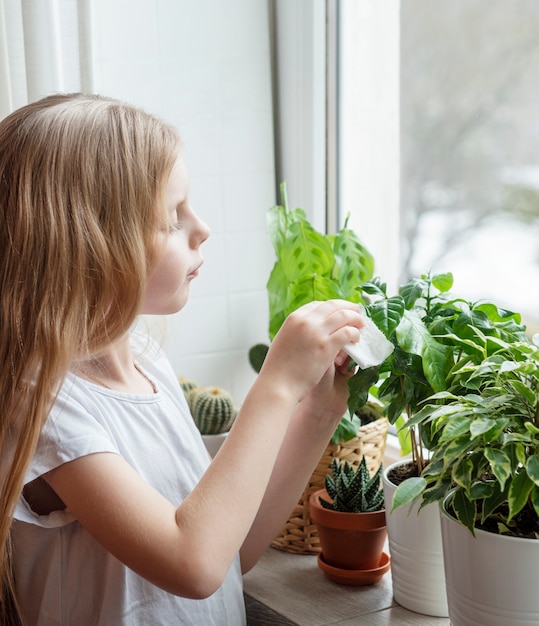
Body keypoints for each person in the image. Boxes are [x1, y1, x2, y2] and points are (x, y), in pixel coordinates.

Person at [0, 93, 364, 625]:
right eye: (172, 219)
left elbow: (228, 552)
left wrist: (315, 413)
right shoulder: (45, 405)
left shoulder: (146, 361)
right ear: (89, 246)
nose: (202, 228)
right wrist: (277, 384)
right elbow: (191, 563)